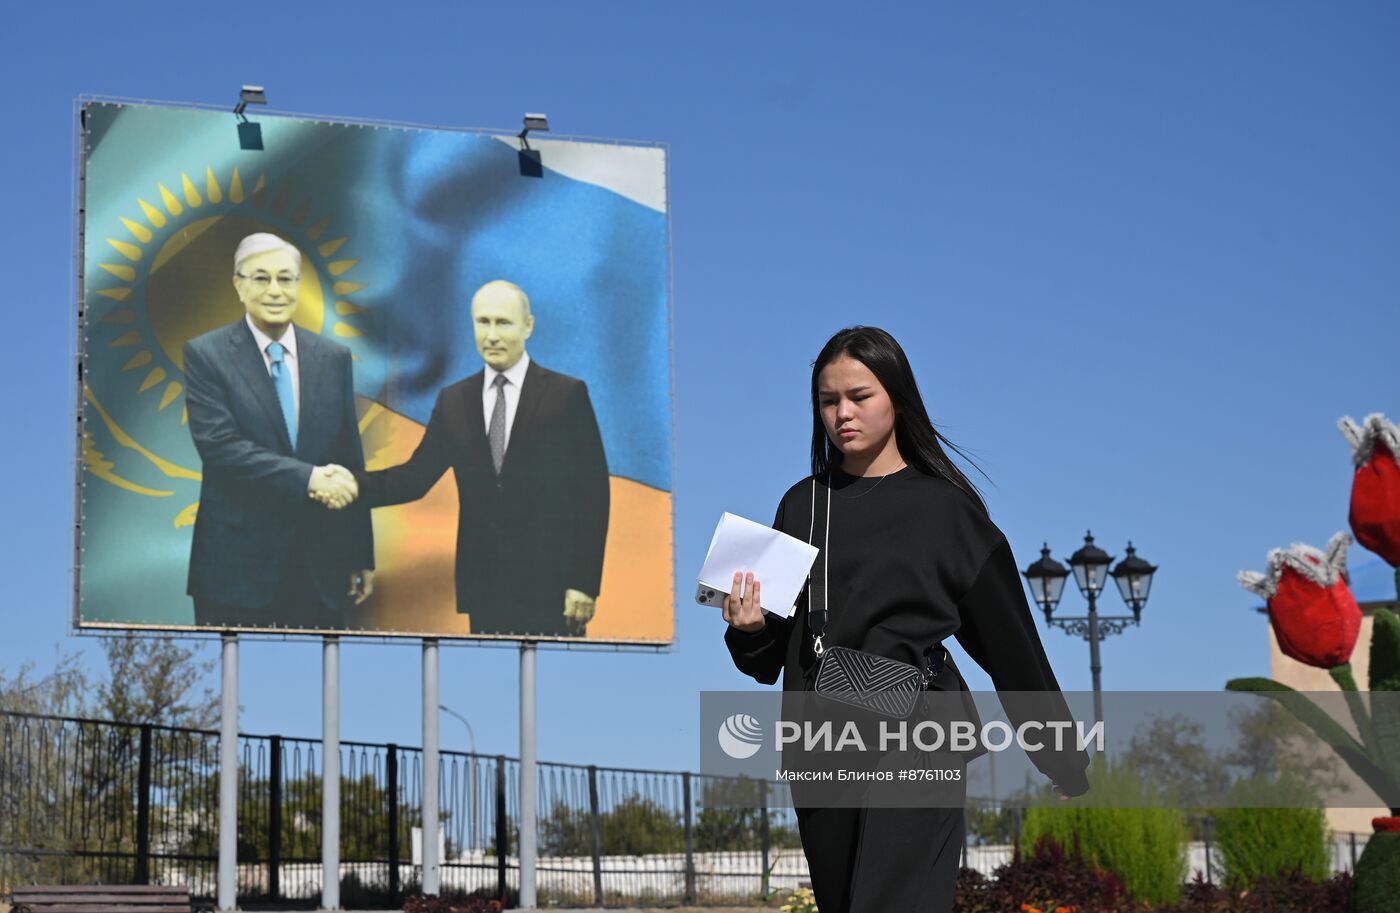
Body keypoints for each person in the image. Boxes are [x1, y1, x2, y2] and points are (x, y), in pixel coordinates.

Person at [722, 326, 1090, 913]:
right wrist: (750, 631)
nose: (842, 413)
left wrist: (1061, 758)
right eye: (828, 400)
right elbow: (774, 660)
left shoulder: (946, 510)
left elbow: (1012, 648)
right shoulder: (801, 506)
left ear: (897, 397)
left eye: (859, 396)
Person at [357, 280, 610, 637]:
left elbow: (592, 495)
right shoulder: (454, 401)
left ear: (528, 326)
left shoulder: (566, 396)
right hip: (485, 590)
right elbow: (414, 478)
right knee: (491, 691)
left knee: (557, 691)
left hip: (553, 591)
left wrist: (584, 583)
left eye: (503, 323)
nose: (491, 335)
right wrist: (350, 484)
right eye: (483, 322)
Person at [183, 232, 375, 629]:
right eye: (261, 278)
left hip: (318, 568)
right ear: (238, 285)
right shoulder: (206, 355)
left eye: (285, 279)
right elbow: (220, 448)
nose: (275, 290)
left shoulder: (333, 358)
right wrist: (308, 478)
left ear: (298, 286)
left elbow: (349, 457)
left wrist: (360, 553)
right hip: (234, 573)